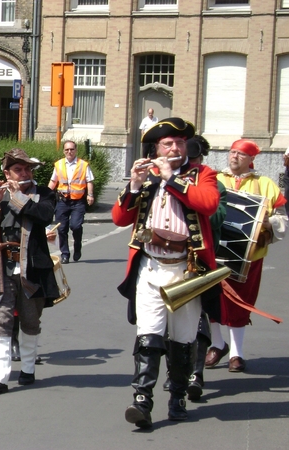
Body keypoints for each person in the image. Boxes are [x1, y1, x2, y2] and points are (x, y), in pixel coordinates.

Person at [112, 118, 221, 428]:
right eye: (168, 144)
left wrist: (172, 177)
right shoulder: (148, 177)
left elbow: (209, 204)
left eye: (180, 142)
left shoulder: (202, 175)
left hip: (187, 268)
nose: (175, 147)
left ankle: (178, 396)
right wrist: (134, 184)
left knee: (184, 337)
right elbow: (120, 218)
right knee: (149, 333)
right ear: (156, 148)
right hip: (151, 265)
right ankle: (142, 399)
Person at [0, 148, 59, 395]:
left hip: (33, 268)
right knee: (1, 321)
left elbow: (44, 215)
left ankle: (28, 368)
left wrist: (18, 196)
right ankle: (0, 377)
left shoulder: (44, 193)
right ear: (7, 173)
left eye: (27, 169)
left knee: (30, 320)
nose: (24, 173)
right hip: (0, 267)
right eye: (18, 169)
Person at [206, 140, 287, 373]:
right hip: (215, 252)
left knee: (241, 303)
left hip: (248, 257)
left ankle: (237, 354)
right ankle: (217, 344)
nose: (234, 157)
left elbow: (282, 218)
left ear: (251, 159)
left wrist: (267, 226)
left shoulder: (266, 184)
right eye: (232, 152)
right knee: (212, 300)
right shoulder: (215, 179)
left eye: (241, 154)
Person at [162, 134, 227, 402]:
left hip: (200, 259)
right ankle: (175, 371)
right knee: (167, 323)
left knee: (199, 319)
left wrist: (192, 200)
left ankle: (195, 375)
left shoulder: (210, 180)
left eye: (195, 158)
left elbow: (217, 214)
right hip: (168, 258)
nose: (192, 164)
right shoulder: (167, 178)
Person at [48, 140, 94, 264]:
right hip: (62, 201)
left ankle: (77, 246)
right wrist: (45, 195)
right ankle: (65, 254)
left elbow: (89, 181)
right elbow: (53, 181)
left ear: (75, 150)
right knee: (61, 228)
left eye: (72, 149)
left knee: (75, 226)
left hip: (78, 202)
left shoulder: (83, 165)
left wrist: (90, 195)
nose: (69, 152)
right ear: (64, 151)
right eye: (67, 149)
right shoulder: (59, 164)